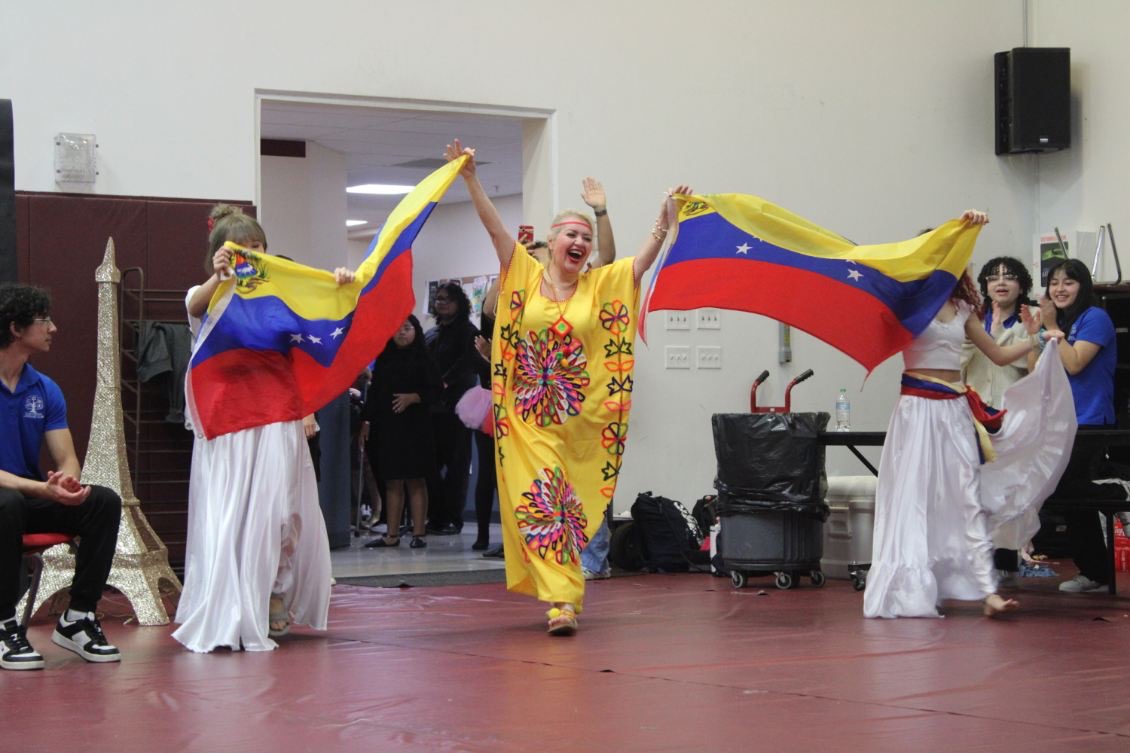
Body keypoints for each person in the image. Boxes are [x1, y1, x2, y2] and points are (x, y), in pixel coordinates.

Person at [445, 137, 687, 635]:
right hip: (528, 420)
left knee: (568, 508)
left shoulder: (599, 285)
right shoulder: (524, 276)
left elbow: (638, 263)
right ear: (552, 242)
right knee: (545, 500)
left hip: (578, 422)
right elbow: (493, 226)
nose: (579, 243)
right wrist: (469, 178)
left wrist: (665, 218)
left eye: (585, 237)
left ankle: (561, 591)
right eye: (570, 235)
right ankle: (564, 601)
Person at [863, 210, 1075, 619]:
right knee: (914, 496)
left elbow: (996, 353)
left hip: (955, 410)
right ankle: (909, 587)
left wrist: (1037, 340)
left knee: (966, 496)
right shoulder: (906, 302)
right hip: (917, 410)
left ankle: (986, 590)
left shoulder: (962, 308)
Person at [173, 204, 344, 652]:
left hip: (277, 416)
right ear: (219, 253)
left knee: (281, 512)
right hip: (228, 423)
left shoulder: (282, 293)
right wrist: (219, 277)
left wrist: (341, 284)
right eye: (241, 248)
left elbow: (325, 315)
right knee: (230, 517)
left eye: (258, 246)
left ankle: (273, 591)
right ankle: (231, 603)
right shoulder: (210, 293)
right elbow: (193, 305)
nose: (252, 254)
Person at [473, 178, 619, 553]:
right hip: (533, 409)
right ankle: (555, 564)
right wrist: (473, 180)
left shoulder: (587, 286)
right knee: (545, 488)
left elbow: (608, 259)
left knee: (581, 481)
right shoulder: (524, 290)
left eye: (582, 239)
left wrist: (601, 210)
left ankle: (589, 556)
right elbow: (492, 309)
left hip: (577, 404)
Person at [0, 284, 122, 670]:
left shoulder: (44, 388)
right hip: (9, 499)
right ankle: (4, 624)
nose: (53, 328)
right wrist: (42, 488)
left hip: (27, 497)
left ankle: (77, 618)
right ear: (16, 328)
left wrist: (67, 485)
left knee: (102, 501)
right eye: (44, 321)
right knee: (7, 502)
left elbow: (66, 456)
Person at [1035, 259, 1120, 593]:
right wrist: (1036, 334)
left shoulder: (1095, 318)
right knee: (1065, 495)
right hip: (1061, 419)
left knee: (1069, 489)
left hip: (1091, 419)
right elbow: (1034, 369)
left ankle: (1116, 490)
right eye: (1054, 283)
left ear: (1083, 286)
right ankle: (1095, 573)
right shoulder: (1062, 323)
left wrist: (1053, 328)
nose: (1059, 289)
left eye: (1068, 282)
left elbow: (1075, 364)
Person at [960, 256, 1035, 586]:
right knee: (973, 488)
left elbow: (1035, 371)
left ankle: (1006, 559)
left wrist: (1035, 335)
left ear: (1022, 285)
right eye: (993, 277)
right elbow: (957, 363)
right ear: (984, 285)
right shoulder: (972, 320)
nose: (1001, 282)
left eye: (1010, 277)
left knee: (1008, 491)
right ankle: (975, 558)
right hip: (973, 416)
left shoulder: (1027, 324)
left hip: (1012, 418)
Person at [361, 316, 441, 549]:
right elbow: (375, 393)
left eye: (407, 328)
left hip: (416, 427)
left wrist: (414, 397)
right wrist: (366, 419)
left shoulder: (425, 360)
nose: (402, 333)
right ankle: (392, 534)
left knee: (416, 479)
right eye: (396, 329)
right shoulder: (385, 359)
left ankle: (418, 533)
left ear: (416, 330)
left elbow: (437, 392)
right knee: (392, 480)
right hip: (389, 427)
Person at [424, 281, 480, 536]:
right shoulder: (433, 333)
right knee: (431, 466)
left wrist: (445, 382)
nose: (441, 302)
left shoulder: (469, 332)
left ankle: (452, 519)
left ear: (459, 303)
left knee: (457, 465)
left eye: (447, 298)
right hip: (433, 408)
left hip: (458, 408)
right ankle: (435, 517)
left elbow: (468, 364)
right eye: (438, 298)